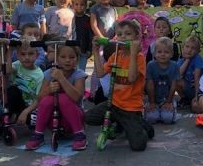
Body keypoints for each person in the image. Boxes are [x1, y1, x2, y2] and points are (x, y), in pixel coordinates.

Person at [85, 20, 154, 151]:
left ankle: (142, 124)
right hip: (114, 104)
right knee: (88, 117)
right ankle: (119, 123)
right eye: (120, 34)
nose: (123, 37)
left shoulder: (139, 58)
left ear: (136, 38)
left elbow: (132, 78)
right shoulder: (114, 56)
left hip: (131, 108)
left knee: (138, 145)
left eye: (128, 34)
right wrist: (95, 51)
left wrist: (133, 54)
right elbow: (100, 73)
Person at [25, 39, 88, 151]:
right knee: (47, 100)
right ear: (57, 59)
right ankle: (38, 134)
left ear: (77, 59)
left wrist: (61, 79)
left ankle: (79, 134)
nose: (67, 60)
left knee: (63, 98)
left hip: (73, 118)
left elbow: (77, 97)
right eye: (63, 57)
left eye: (72, 57)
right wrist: (49, 89)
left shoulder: (79, 75)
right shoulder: (50, 73)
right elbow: (39, 98)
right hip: (53, 119)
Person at [6, 39, 44, 129]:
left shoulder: (39, 75)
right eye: (23, 54)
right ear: (18, 55)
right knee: (13, 89)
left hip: (31, 106)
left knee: (33, 122)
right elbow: (7, 70)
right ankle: (8, 116)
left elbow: (39, 99)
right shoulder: (17, 65)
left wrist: (26, 112)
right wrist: (10, 50)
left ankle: (17, 116)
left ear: (37, 55)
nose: (26, 57)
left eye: (30, 54)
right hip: (16, 101)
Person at [145, 37, 181, 125]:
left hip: (168, 97)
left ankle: (172, 105)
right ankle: (154, 108)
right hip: (153, 98)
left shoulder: (174, 66)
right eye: (159, 52)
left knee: (167, 120)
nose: (162, 54)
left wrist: (168, 102)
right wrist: (152, 102)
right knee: (151, 119)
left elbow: (174, 85)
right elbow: (149, 85)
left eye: (166, 52)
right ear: (154, 53)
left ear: (172, 54)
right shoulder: (150, 65)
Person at [176, 35, 203, 105]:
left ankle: (195, 98)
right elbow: (178, 75)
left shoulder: (197, 59)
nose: (189, 50)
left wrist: (196, 96)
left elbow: (197, 78)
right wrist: (187, 60)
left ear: (198, 51)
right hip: (188, 86)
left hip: (198, 88)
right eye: (187, 46)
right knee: (174, 80)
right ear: (182, 48)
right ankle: (185, 98)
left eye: (193, 48)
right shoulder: (182, 60)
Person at [72, 0, 92, 71]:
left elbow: (90, 35)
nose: (79, 7)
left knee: (81, 71)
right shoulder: (71, 17)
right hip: (72, 50)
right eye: (76, 4)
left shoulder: (88, 19)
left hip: (84, 50)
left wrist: (89, 50)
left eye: (82, 4)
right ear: (73, 5)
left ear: (86, 6)